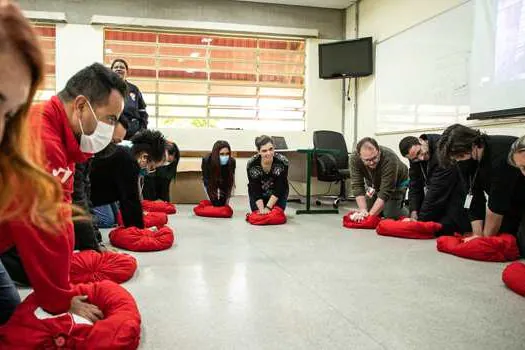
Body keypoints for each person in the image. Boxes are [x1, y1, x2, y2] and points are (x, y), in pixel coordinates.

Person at [0, 0, 102, 324]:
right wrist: (60, 297)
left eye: (9, 113)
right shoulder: (44, 137)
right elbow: (46, 222)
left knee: (8, 313)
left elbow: (62, 208)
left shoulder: (60, 141)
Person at [438, 124, 525, 252]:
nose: (459, 162)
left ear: (474, 145)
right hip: (508, 203)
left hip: (517, 198)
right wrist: (477, 236)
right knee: (504, 235)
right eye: (455, 159)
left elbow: (496, 205)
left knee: (520, 245)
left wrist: (484, 242)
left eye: (461, 157)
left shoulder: (500, 154)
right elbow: (472, 196)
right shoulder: (464, 161)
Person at [90, 129, 167, 228]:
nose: (149, 171)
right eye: (151, 167)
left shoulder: (126, 154)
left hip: (97, 191)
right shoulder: (128, 162)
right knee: (107, 220)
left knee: (115, 216)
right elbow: (131, 200)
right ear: (144, 157)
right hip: (86, 195)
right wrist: (138, 231)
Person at [399, 134, 470, 234]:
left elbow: (436, 190)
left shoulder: (442, 149)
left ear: (421, 141)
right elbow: (415, 184)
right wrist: (413, 212)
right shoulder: (415, 158)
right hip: (437, 193)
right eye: (415, 158)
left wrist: (420, 222)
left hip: (457, 191)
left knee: (444, 227)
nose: (421, 158)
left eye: (420, 152)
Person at [350, 137, 409, 221]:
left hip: (397, 183)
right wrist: (363, 211)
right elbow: (357, 185)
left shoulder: (389, 157)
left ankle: (407, 208)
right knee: (368, 209)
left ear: (379, 151)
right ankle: (386, 206)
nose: (371, 162)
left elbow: (385, 191)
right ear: (360, 156)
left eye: (374, 158)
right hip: (373, 184)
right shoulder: (354, 159)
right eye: (367, 160)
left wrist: (368, 218)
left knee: (390, 214)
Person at [247, 135, 289, 213]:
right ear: (258, 151)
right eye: (264, 151)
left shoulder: (283, 162)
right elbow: (255, 188)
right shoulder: (252, 164)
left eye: (271, 149)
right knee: (258, 214)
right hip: (259, 194)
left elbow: (280, 187)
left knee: (276, 214)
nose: (269, 153)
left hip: (277, 194)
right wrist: (262, 210)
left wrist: (268, 208)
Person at [111, 58, 148, 139]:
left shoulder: (134, 89)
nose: (119, 69)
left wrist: (141, 131)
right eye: (116, 67)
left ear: (127, 72)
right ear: (111, 71)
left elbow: (143, 112)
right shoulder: (107, 89)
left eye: (122, 67)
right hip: (112, 133)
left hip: (133, 134)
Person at [202, 140, 236, 207]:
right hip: (211, 179)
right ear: (216, 154)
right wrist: (211, 197)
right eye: (222, 154)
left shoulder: (231, 161)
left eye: (227, 154)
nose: (225, 156)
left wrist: (227, 201)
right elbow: (206, 181)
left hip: (224, 178)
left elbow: (230, 181)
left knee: (222, 204)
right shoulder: (207, 160)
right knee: (215, 203)